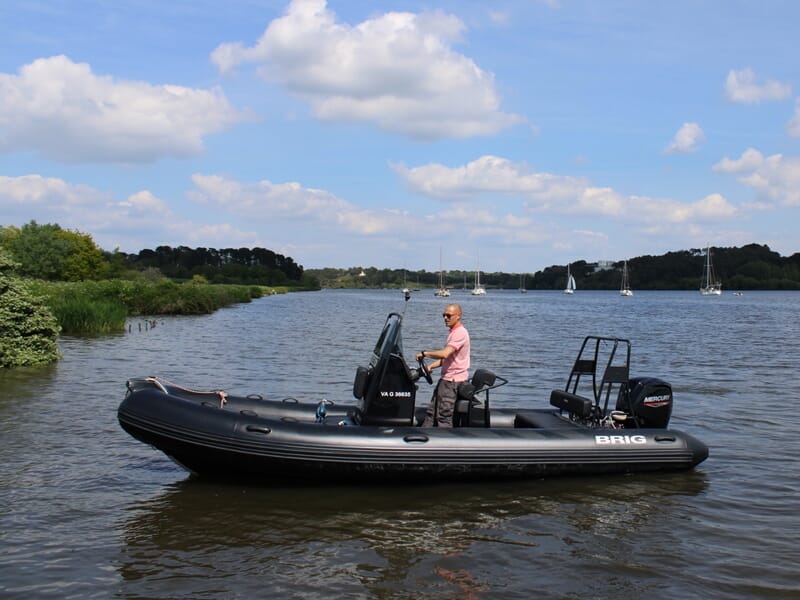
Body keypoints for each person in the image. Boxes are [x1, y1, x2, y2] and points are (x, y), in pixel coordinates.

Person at [415, 303, 470, 427]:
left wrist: (425, 353)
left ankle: (444, 442)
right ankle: (424, 437)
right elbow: (448, 359)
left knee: (444, 416)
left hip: (452, 382)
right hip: (446, 380)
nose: (445, 318)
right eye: (444, 315)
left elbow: (445, 354)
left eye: (449, 315)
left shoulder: (460, 333)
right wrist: (430, 367)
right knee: (431, 412)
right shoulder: (453, 332)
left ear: (458, 316)